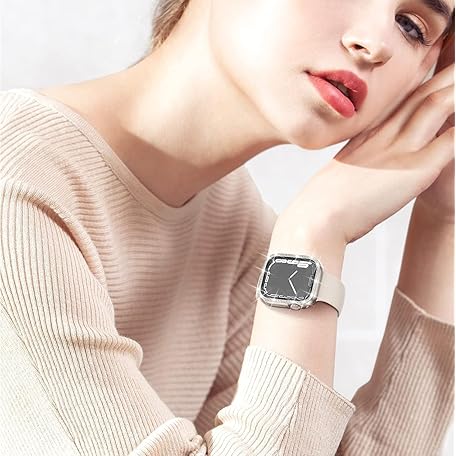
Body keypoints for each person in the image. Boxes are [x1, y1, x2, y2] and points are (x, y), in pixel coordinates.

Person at [0, 0, 454, 454]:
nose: (373, 44)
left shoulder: (234, 230)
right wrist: (315, 234)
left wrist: (443, 218)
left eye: (411, 26)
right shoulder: (18, 182)